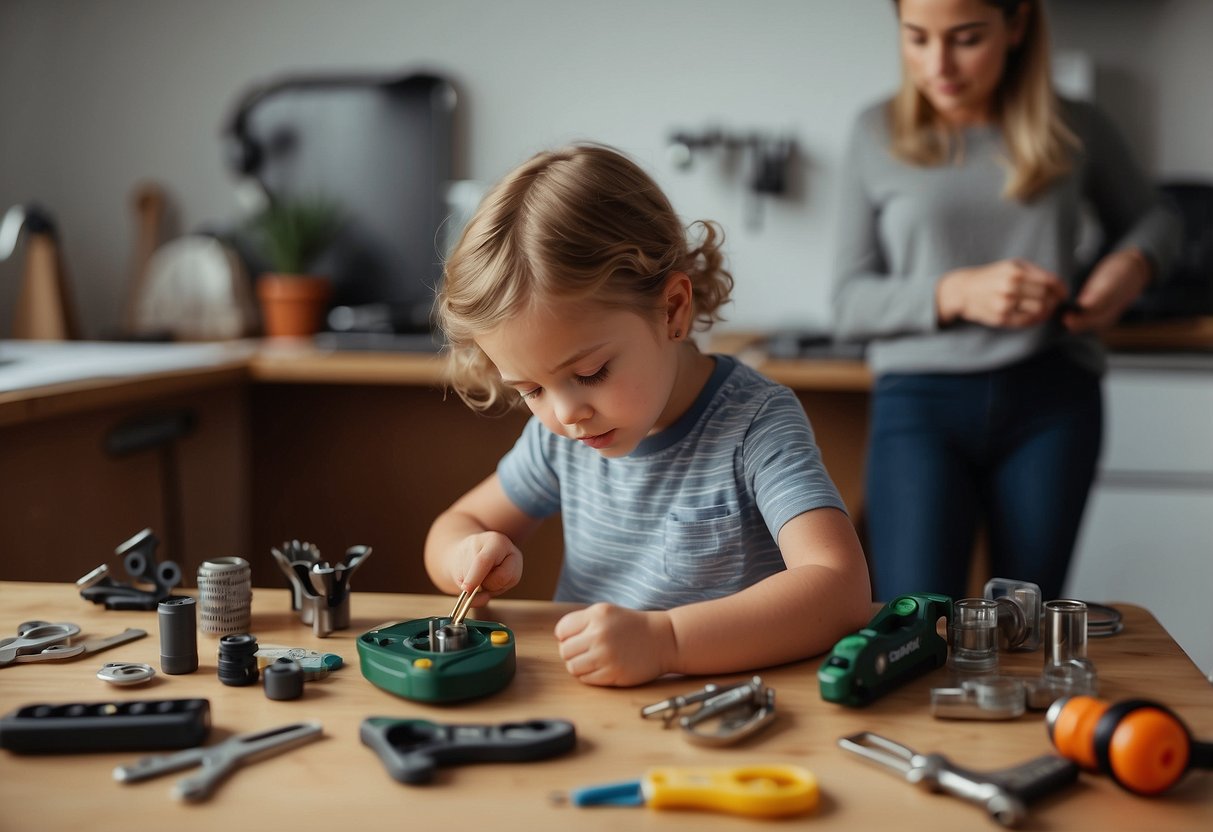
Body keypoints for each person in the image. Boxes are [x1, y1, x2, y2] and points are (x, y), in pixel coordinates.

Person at [426, 144, 872, 687]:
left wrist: (668, 643)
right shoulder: (561, 440)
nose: (567, 413)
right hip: (594, 709)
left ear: (672, 310)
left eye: (590, 373)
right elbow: (452, 527)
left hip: (725, 711)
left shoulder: (756, 424)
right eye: (530, 390)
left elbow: (840, 587)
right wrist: (467, 557)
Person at [832, 0, 1180, 602]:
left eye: (965, 38)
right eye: (916, 38)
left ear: (1017, 27)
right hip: (919, 406)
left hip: (1052, 400)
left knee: (1027, 622)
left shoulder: (1078, 126)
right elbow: (848, 304)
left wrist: (1130, 266)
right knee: (916, 626)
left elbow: (1159, 218)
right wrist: (957, 291)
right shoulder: (874, 132)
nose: (937, 63)